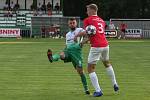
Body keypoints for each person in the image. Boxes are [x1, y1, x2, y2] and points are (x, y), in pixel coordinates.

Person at [74, 4, 119, 97]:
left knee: (90, 68)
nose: (87, 12)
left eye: (88, 10)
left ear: (92, 10)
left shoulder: (88, 20)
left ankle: (98, 90)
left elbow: (88, 32)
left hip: (96, 46)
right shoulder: (102, 20)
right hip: (106, 45)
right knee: (107, 63)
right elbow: (94, 33)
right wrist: (84, 41)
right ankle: (115, 83)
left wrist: (77, 36)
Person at [47, 18, 90, 95]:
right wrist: (64, 51)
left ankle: (86, 88)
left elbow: (88, 36)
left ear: (76, 23)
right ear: (68, 24)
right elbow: (67, 46)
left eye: (73, 23)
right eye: (71, 23)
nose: (72, 24)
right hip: (68, 51)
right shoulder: (67, 35)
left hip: (77, 52)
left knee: (80, 72)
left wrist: (82, 43)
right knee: (61, 55)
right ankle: (52, 58)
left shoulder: (80, 30)